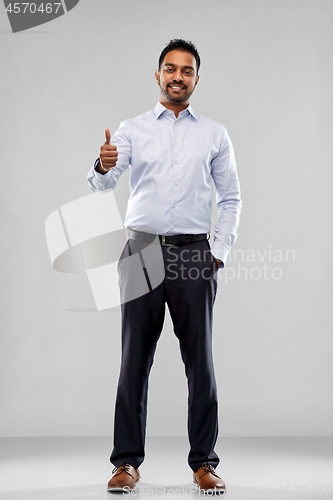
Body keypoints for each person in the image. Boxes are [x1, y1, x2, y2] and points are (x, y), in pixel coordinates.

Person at [87, 39, 242, 494]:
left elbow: (231, 198)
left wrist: (218, 253)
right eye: (170, 69)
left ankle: (204, 463)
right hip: (142, 252)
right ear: (157, 76)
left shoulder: (214, 134)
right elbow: (104, 183)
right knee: (134, 358)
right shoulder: (133, 129)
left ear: (196, 79)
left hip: (196, 255)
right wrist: (102, 163)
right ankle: (126, 463)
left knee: (201, 363)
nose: (178, 76)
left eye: (187, 70)